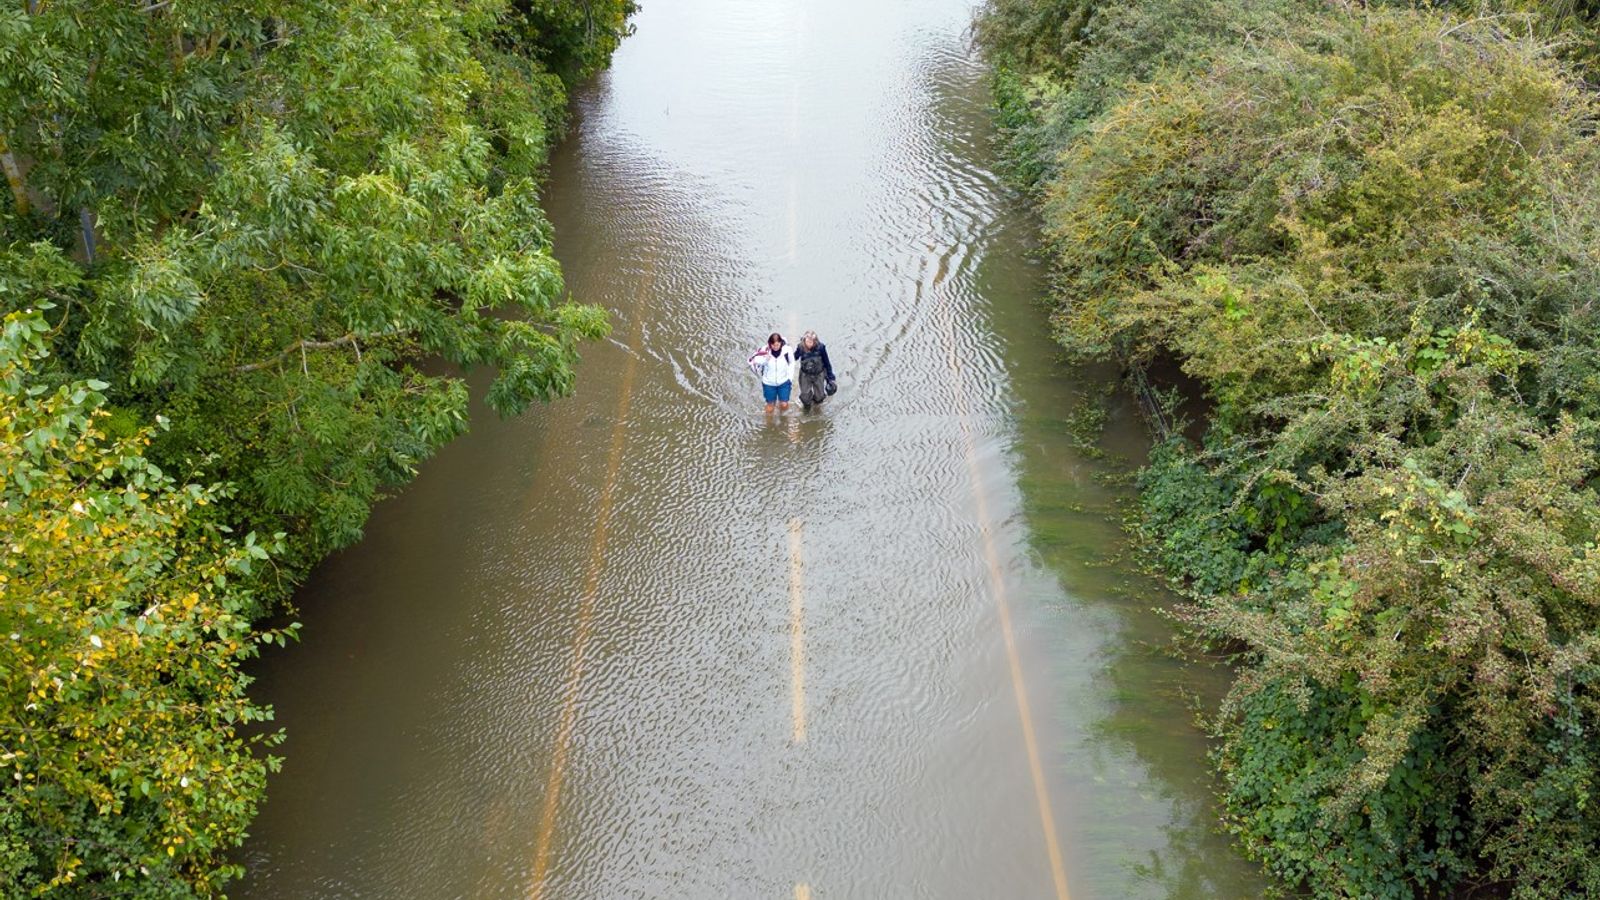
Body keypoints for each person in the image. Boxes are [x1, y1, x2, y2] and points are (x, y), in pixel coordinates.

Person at [747, 332, 796, 413]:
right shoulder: (765, 350)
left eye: (777, 345)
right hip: (768, 383)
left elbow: (792, 362)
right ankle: (769, 423)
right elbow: (754, 360)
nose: (775, 347)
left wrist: (790, 378)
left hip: (784, 382)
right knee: (770, 406)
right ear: (770, 344)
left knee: (784, 404)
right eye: (773, 345)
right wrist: (765, 359)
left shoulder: (787, 350)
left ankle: (783, 420)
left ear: (781, 343)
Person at [793, 330, 835, 410]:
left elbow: (827, 363)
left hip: (819, 374)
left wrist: (831, 378)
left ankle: (817, 405)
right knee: (805, 397)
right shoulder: (800, 347)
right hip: (805, 374)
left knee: (820, 397)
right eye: (807, 341)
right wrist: (785, 356)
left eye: (811, 342)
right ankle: (807, 406)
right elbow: (794, 357)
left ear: (815, 341)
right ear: (804, 341)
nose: (809, 344)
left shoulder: (821, 348)